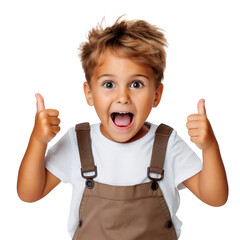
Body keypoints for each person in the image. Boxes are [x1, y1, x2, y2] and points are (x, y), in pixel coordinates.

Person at [17, 17, 228, 239]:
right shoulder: (78, 143)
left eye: (136, 84)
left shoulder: (167, 144)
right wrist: (38, 142)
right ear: (89, 93)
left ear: (156, 95)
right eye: (109, 84)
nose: (122, 97)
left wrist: (210, 147)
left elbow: (215, 198)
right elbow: (29, 193)